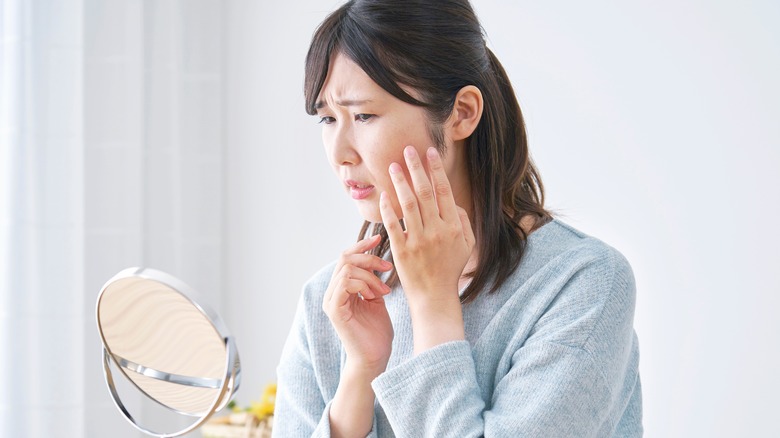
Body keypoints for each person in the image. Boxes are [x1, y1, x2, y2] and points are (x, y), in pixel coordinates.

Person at [273, 0, 642, 436]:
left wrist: (433, 305)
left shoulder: (580, 285)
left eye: (364, 115)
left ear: (462, 113)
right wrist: (360, 372)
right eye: (328, 119)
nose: (339, 154)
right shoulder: (332, 303)